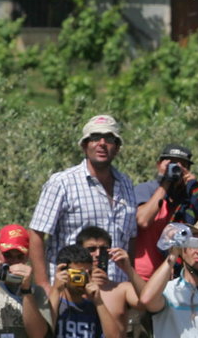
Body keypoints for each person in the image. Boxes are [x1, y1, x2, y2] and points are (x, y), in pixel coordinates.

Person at [29, 115, 138, 288]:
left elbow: (131, 239)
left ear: (117, 148)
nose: (102, 143)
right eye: (95, 137)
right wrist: (43, 285)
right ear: (84, 146)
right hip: (70, 290)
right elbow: (36, 234)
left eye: (109, 138)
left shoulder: (126, 184)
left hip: (115, 290)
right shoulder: (62, 183)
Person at [131, 143, 198, 281]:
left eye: (182, 165)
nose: (176, 169)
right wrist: (165, 184)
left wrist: (194, 191)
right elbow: (142, 221)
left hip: (178, 279)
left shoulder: (190, 200)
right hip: (145, 277)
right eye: (171, 164)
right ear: (159, 165)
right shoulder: (146, 189)